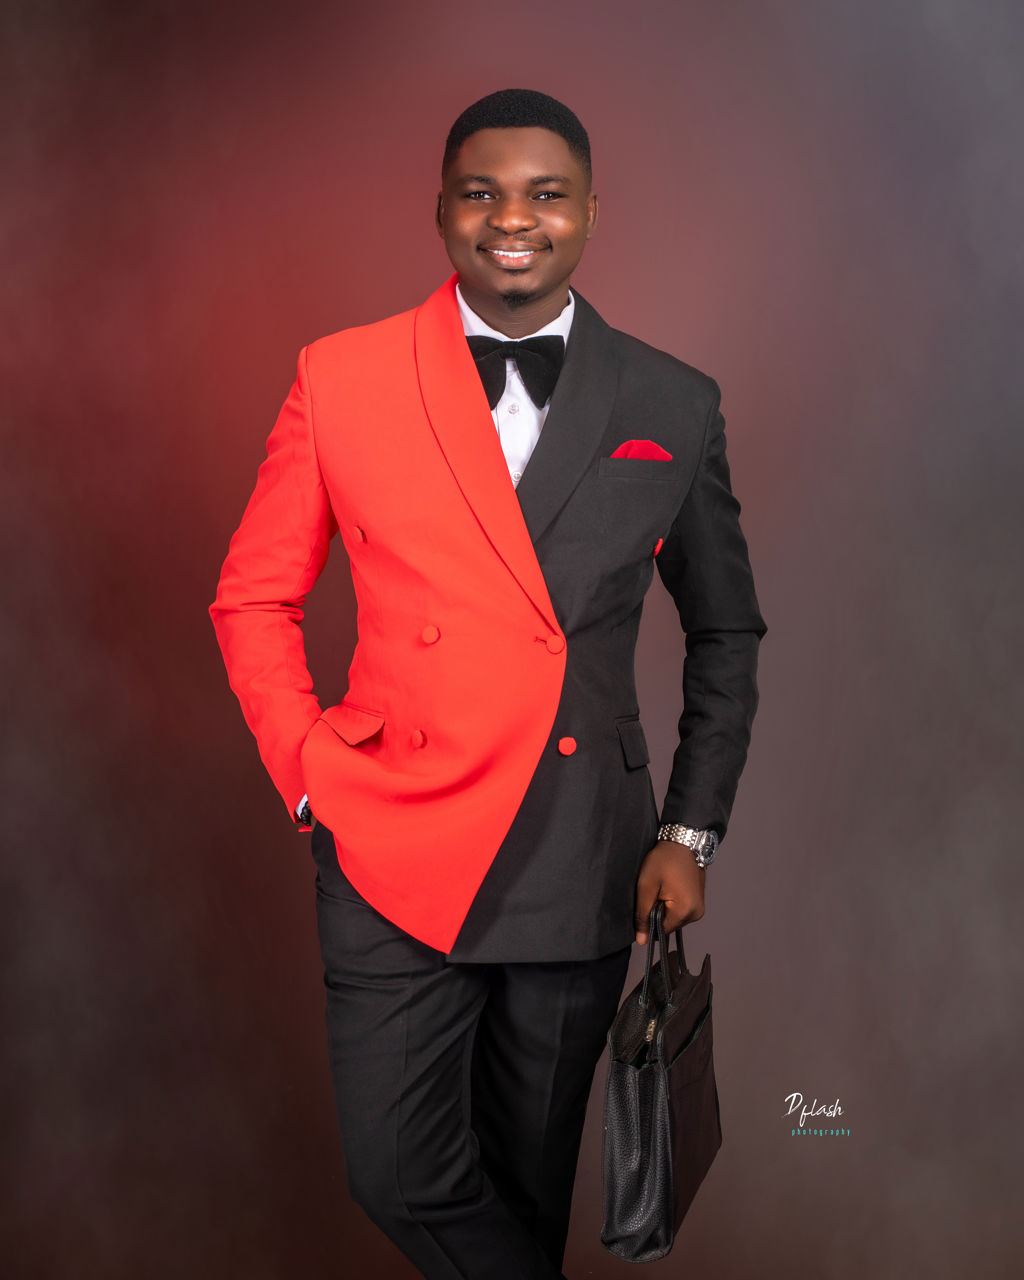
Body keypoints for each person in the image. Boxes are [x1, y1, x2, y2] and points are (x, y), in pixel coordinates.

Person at [211, 88, 765, 1280]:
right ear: (441, 212)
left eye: (545, 194)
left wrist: (689, 832)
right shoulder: (341, 374)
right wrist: (306, 772)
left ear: (591, 213)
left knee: (525, 1187)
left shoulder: (672, 400)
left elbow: (725, 634)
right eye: (482, 193)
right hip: (388, 832)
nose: (513, 218)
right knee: (399, 1173)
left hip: (578, 848)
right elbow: (252, 597)